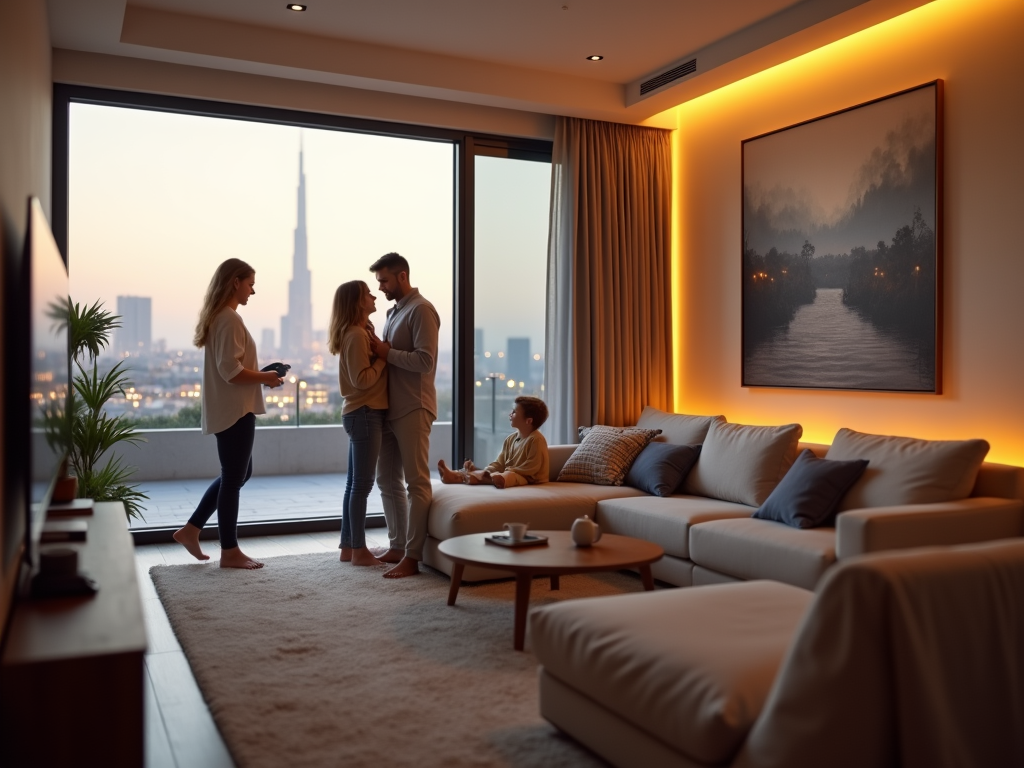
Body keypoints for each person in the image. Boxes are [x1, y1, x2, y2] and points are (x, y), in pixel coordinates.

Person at [173, 259, 284, 569]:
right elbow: (231, 371)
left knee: (238, 474)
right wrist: (265, 378)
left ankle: (192, 529)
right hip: (235, 411)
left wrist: (263, 375)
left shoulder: (220, 318)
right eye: (250, 283)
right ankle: (230, 551)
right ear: (235, 282)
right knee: (234, 478)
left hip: (232, 407)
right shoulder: (229, 319)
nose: (253, 290)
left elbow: (231, 368)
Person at [368, 252, 439, 579]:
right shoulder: (394, 312)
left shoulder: (421, 310)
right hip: (390, 408)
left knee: (416, 483)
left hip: (413, 406)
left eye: (383, 280)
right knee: (386, 480)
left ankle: (412, 556)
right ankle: (397, 545)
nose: (380, 286)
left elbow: (425, 362)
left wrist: (385, 352)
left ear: (402, 276)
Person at [328, 280, 388, 567]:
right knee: (361, 485)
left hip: (361, 413)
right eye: (368, 293)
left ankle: (348, 546)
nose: (374, 296)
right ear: (357, 302)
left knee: (355, 484)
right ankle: (359, 551)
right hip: (364, 413)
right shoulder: (355, 335)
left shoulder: (361, 332)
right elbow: (361, 380)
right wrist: (383, 359)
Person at [438, 396, 550, 488]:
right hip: (511, 473)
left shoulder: (536, 440)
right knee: (494, 472)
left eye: (514, 412)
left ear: (528, 421)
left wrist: (504, 472)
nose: (510, 414)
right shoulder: (510, 439)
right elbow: (500, 463)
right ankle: (458, 475)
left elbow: (531, 468)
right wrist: (488, 470)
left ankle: (483, 478)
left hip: (530, 478)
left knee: (509, 476)